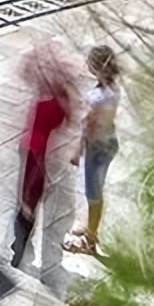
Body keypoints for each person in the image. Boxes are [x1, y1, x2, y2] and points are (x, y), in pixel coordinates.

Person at [12, 41, 78, 267]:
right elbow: (67, 123)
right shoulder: (62, 104)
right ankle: (23, 240)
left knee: (27, 198)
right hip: (44, 154)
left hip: (30, 149)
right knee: (33, 199)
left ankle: (20, 241)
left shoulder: (42, 100)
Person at [63, 45, 121, 256]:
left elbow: (88, 127)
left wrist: (77, 152)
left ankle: (90, 239)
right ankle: (88, 226)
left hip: (96, 148)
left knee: (93, 193)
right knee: (95, 189)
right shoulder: (112, 90)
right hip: (109, 142)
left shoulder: (96, 97)